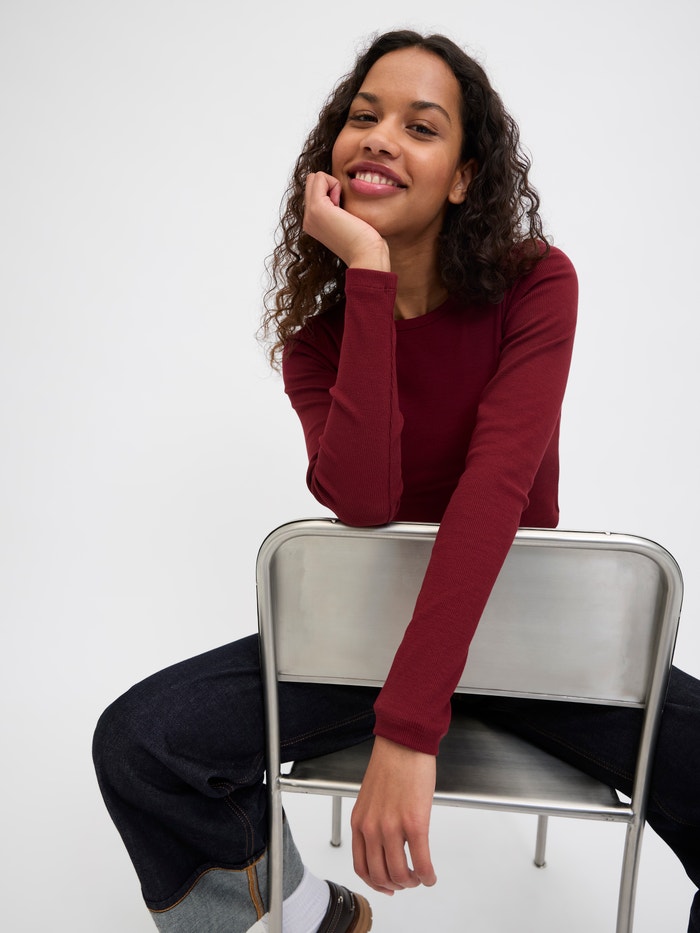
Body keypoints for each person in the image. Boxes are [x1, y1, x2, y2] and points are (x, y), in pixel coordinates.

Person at [93, 29, 700, 933]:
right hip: (367, 648)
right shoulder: (315, 346)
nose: (379, 138)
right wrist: (368, 276)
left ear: (463, 177)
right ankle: (311, 917)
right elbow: (366, 500)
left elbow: (495, 488)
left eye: (420, 126)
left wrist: (409, 728)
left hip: (533, 646)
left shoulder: (538, 283)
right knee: (142, 742)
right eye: (363, 117)